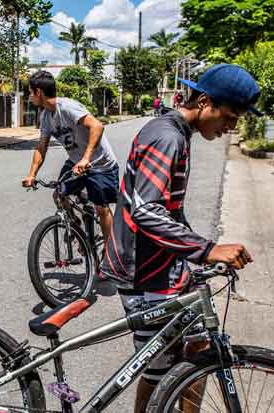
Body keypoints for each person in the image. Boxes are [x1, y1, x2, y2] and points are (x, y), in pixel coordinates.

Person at [100, 64, 258, 412]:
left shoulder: (177, 133)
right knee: (159, 371)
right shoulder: (167, 136)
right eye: (229, 117)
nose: (231, 127)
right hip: (144, 273)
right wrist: (207, 249)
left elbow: (170, 209)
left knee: (199, 355)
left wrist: (192, 257)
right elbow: (146, 211)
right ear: (204, 102)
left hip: (164, 266)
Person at [22, 70, 119, 245]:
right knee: (59, 194)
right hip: (76, 162)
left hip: (100, 163)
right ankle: (75, 226)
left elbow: (97, 126)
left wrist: (86, 158)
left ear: (39, 92)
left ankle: (111, 253)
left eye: (30, 92)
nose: (29, 97)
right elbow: (41, 147)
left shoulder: (66, 107)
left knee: (101, 208)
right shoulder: (45, 116)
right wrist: (32, 174)